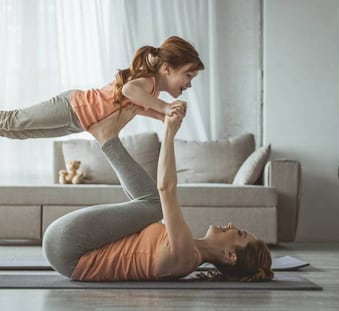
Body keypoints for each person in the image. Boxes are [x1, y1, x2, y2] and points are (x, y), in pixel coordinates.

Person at [43, 104, 274, 282]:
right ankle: (107, 137)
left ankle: (106, 137)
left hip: (68, 248)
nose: (233, 225)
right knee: (151, 207)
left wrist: (169, 131)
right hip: (67, 246)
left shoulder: (185, 257)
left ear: (230, 255)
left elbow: (166, 189)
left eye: (240, 233)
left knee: (154, 205)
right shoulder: (186, 249)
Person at [0, 36, 204, 139]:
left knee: (19, 132)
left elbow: (134, 105)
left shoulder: (152, 92)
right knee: (14, 120)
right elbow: (128, 91)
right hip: (74, 106)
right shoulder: (147, 82)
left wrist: (159, 116)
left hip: (80, 123)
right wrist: (165, 108)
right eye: (188, 75)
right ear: (167, 69)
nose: (189, 83)